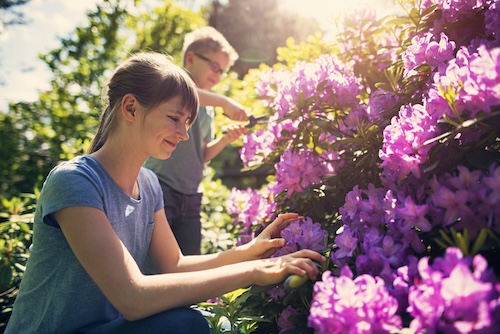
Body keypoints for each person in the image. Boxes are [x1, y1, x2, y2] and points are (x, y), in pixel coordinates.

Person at [5, 52, 324, 334]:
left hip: (103, 328)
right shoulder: (75, 181)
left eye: (187, 122)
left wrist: (250, 251)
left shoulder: (149, 185)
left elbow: (175, 265)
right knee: (186, 325)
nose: (184, 134)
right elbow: (133, 297)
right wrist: (253, 271)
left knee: (186, 322)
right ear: (130, 107)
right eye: (175, 118)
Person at [144, 26, 248, 255]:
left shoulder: (207, 109)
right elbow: (187, 92)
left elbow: (203, 155)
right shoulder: (171, 86)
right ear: (191, 58)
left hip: (190, 196)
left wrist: (225, 138)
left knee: (189, 260)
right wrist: (225, 102)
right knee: (154, 262)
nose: (218, 75)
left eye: (222, 71)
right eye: (214, 66)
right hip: (161, 188)